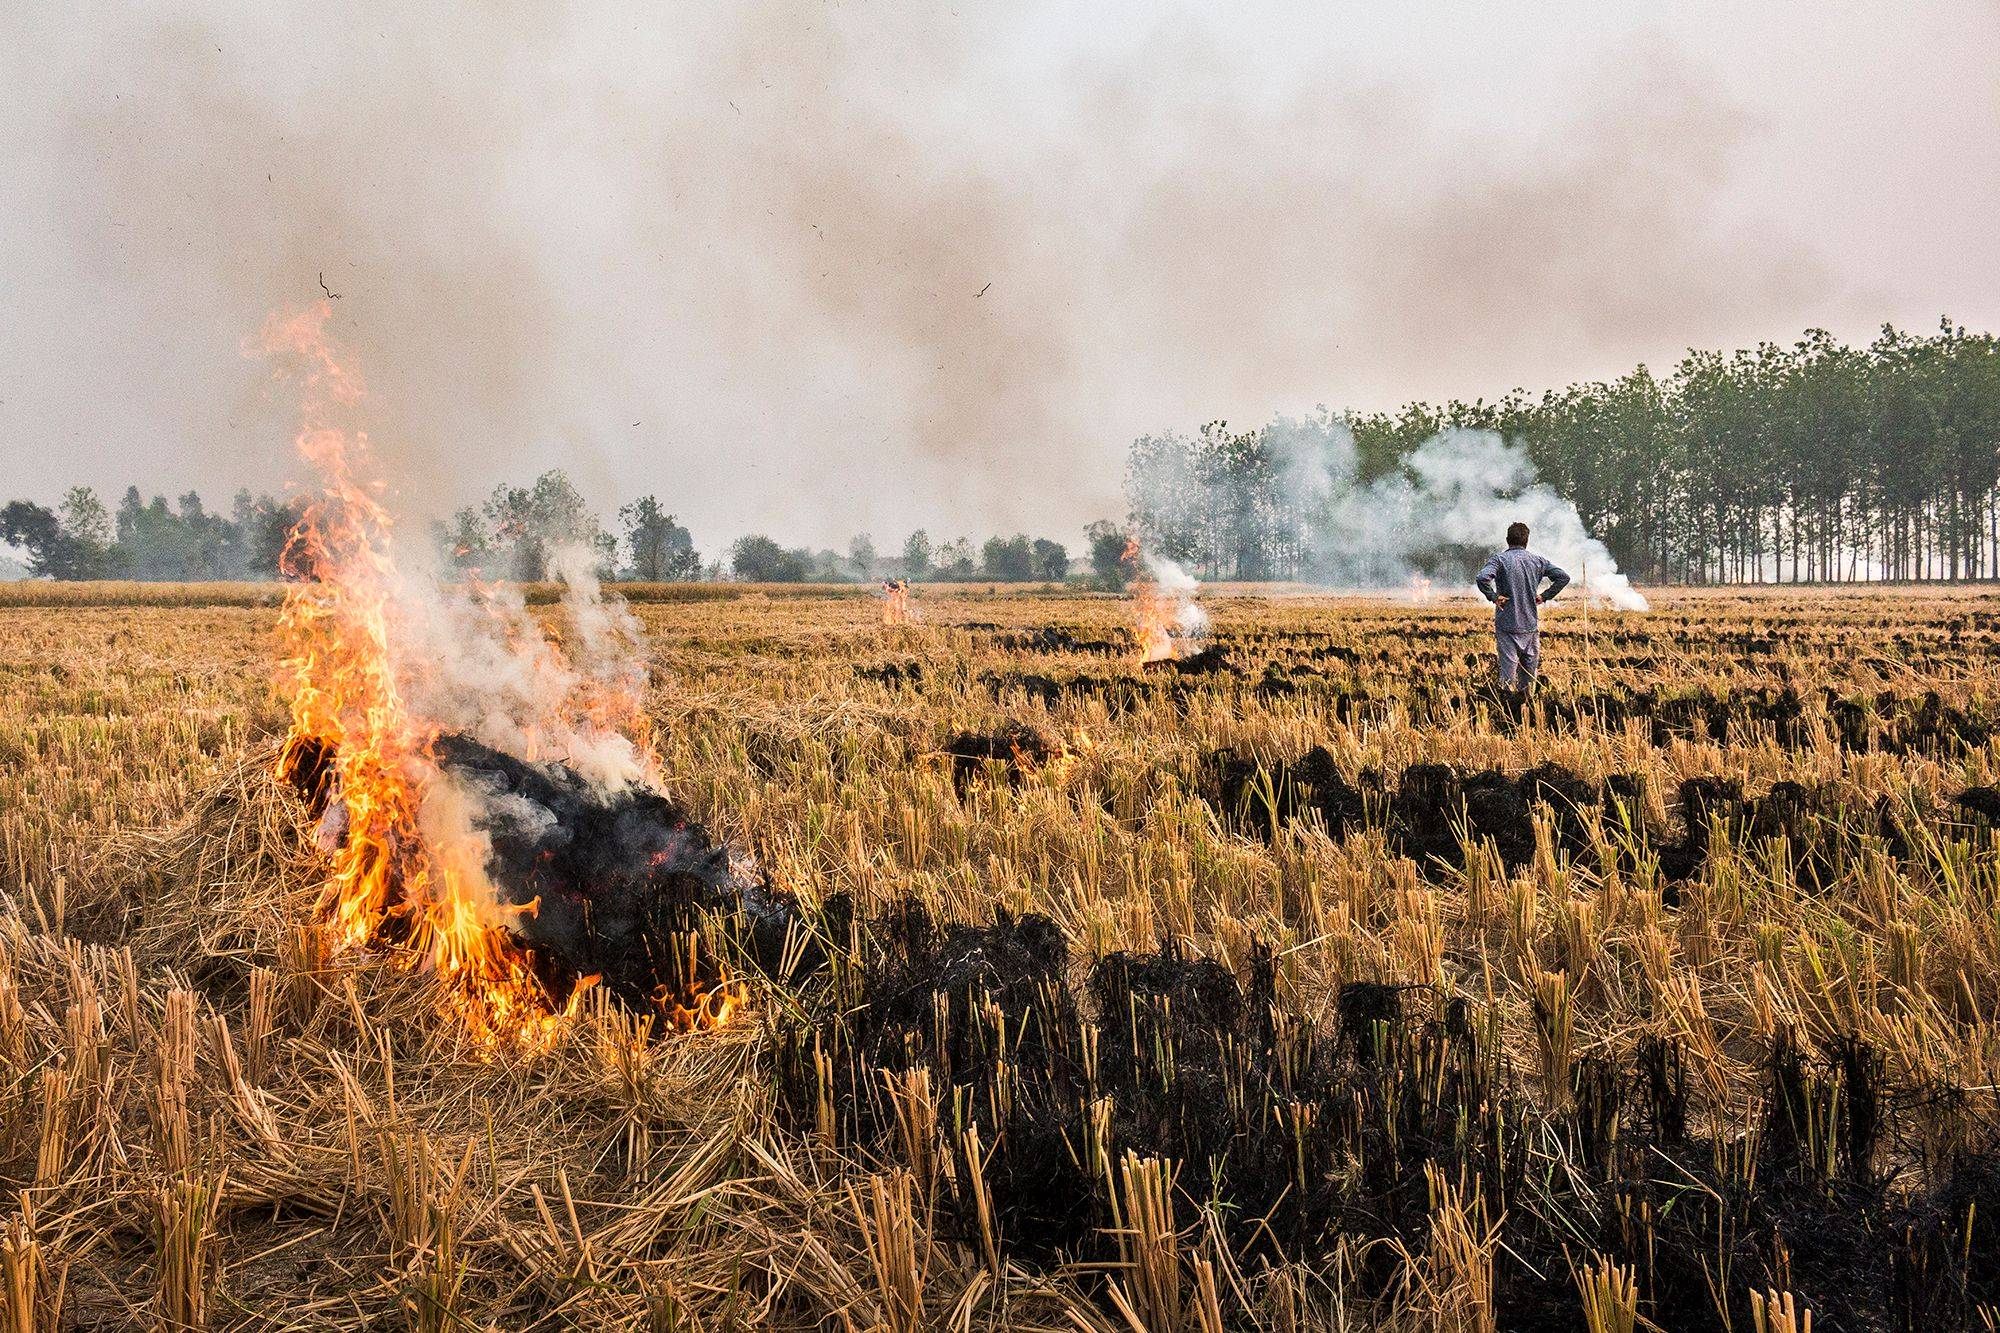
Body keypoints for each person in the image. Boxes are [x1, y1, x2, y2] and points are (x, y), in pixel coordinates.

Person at [1475, 522, 1569, 690]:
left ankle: (1507, 707)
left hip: (1507, 625)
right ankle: (1527, 708)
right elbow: (1563, 577)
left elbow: (1482, 577)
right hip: (1529, 625)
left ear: (1507, 540)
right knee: (1529, 678)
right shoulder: (1538, 561)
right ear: (1527, 540)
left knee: (1507, 677)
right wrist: (1544, 596)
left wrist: (1494, 597)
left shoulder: (1499, 560)